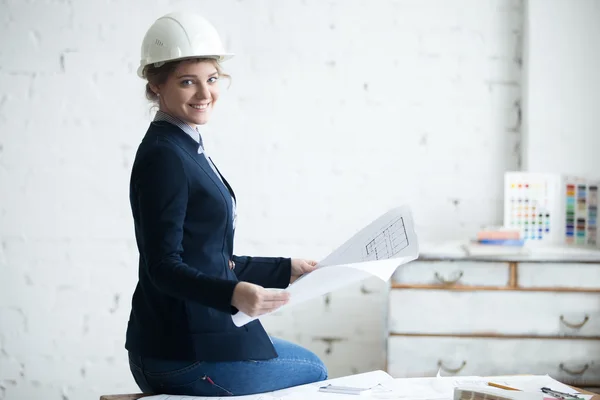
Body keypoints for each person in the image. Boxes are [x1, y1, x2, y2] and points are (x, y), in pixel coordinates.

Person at [125, 12, 328, 397]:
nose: (205, 94)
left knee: (308, 364)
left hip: (191, 340)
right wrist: (233, 295)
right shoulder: (164, 156)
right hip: (178, 353)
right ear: (156, 84)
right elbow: (163, 267)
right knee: (314, 370)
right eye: (188, 82)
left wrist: (284, 269)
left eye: (212, 79)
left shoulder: (185, 146)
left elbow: (208, 254)